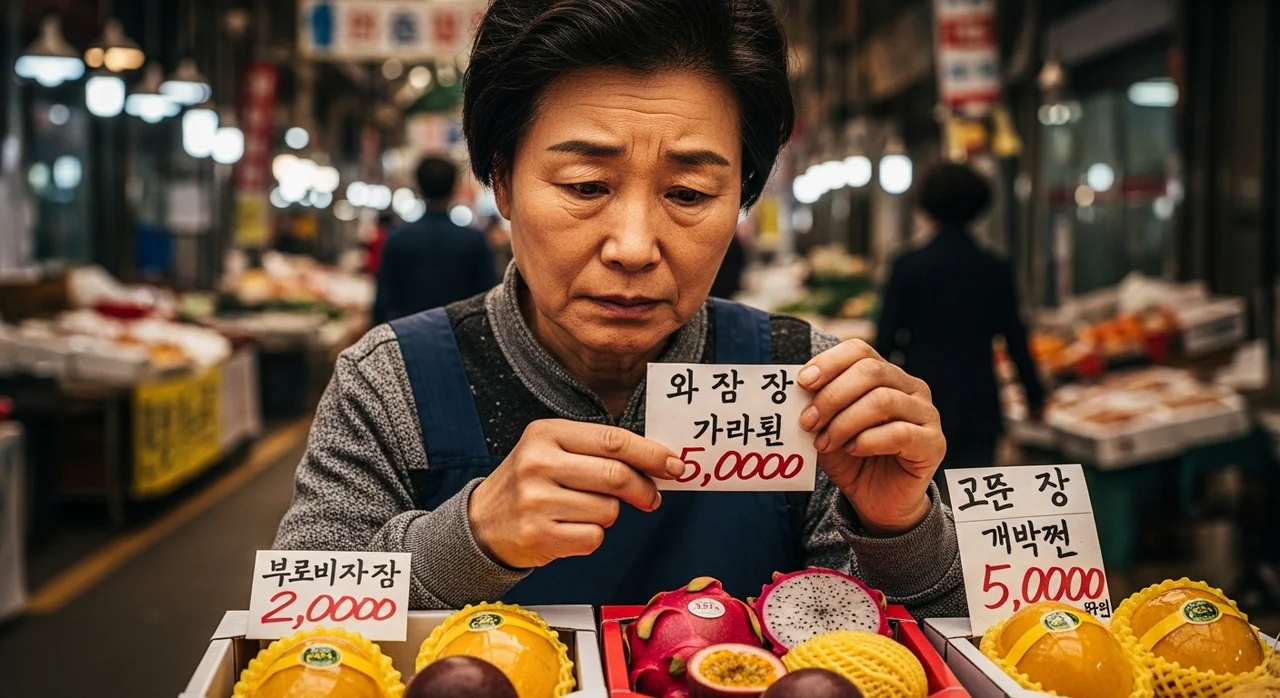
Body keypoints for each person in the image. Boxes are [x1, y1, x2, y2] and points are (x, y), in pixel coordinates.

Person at [277, 0, 962, 616]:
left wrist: (899, 529)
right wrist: (471, 537)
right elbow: (296, 626)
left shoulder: (807, 382)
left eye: (689, 194)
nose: (634, 247)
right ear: (503, 183)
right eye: (586, 185)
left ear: (741, 202)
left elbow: (905, 656)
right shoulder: (388, 381)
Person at [875, 162, 1045, 486]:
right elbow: (1016, 339)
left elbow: (884, 342)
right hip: (979, 406)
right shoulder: (995, 268)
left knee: (925, 501)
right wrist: (1035, 397)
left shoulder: (908, 267)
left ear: (926, 208)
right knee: (977, 503)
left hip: (920, 405)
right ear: (980, 209)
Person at [371, 157, 498, 325]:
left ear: (418, 188)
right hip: (462, 340)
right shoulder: (473, 240)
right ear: (454, 189)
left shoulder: (397, 238)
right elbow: (488, 298)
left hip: (408, 337)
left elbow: (382, 302)